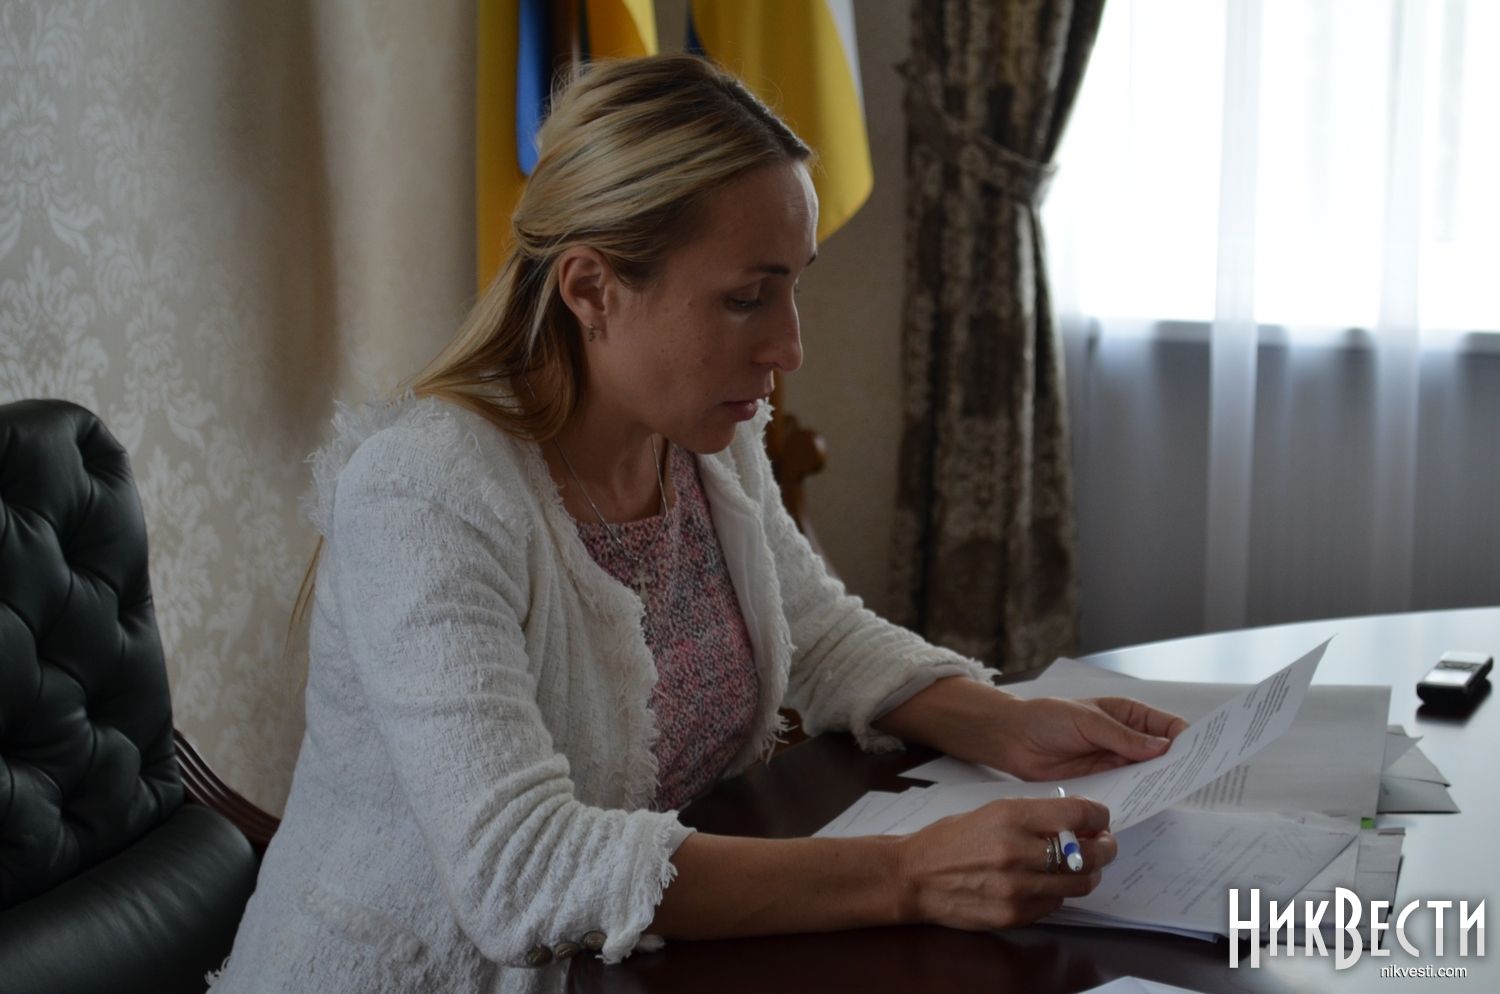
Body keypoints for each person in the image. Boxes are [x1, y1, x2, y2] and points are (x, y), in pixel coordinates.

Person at [211, 54, 1187, 994]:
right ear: (591, 289)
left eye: (794, 285)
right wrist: (912, 872)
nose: (789, 346)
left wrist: (1010, 724)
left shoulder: (706, 436)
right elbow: (521, 867)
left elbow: (817, 630)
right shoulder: (425, 494)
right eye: (745, 298)